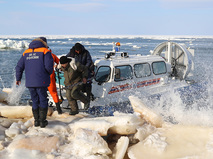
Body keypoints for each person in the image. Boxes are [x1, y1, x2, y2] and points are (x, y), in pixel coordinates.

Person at [16, 37, 53, 128]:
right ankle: (42, 121)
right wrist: (47, 73)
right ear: (44, 43)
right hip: (41, 80)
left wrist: (18, 78)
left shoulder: (26, 52)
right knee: (43, 100)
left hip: (30, 82)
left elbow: (19, 67)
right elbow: (49, 66)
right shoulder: (45, 51)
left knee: (35, 100)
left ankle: (36, 121)